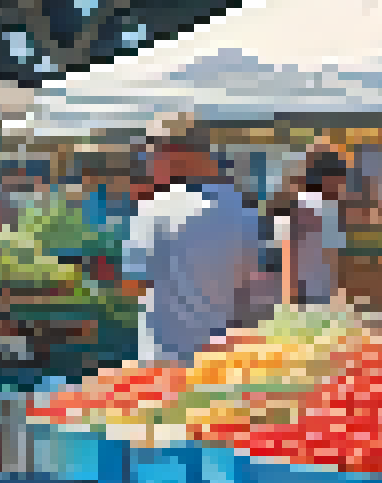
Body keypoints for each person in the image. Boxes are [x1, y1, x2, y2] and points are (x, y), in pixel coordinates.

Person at [120, 140, 257, 364]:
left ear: (171, 156)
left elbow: (132, 284)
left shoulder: (154, 209)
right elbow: (247, 280)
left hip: (163, 353)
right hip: (221, 350)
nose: (148, 167)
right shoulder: (240, 207)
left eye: (151, 158)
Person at [276, 150, 349, 308]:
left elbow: (285, 248)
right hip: (319, 292)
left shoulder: (295, 204)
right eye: (339, 179)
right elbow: (334, 256)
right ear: (327, 178)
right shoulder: (328, 209)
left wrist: (288, 292)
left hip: (298, 291)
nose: (341, 185)